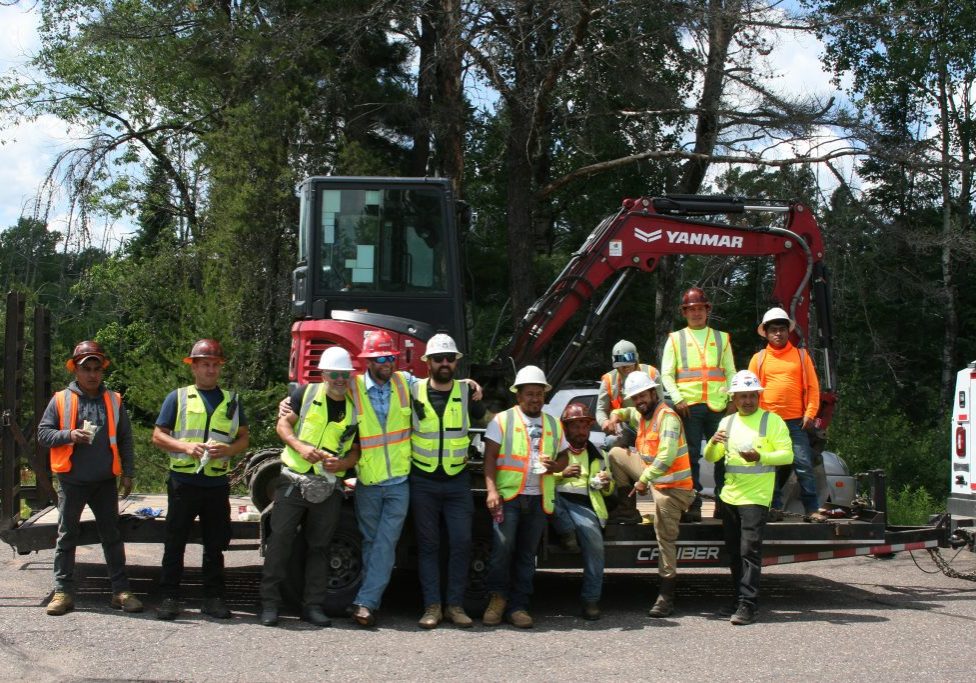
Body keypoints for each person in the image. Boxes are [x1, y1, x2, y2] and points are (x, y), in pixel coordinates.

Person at [37, 341, 142, 616]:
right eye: (87, 369)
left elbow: (125, 439)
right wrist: (69, 435)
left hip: (105, 482)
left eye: (97, 368)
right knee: (67, 536)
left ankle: (120, 592)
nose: (93, 374)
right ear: (75, 370)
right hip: (72, 481)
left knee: (112, 536)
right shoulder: (61, 399)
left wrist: (128, 473)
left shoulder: (114, 400)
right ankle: (63, 592)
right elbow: (43, 434)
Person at [259, 346, 360, 627]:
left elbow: (356, 450)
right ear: (324, 374)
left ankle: (312, 606)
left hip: (327, 485)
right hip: (293, 478)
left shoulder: (355, 407)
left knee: (320, 547)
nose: (340, 379)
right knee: (279, 541)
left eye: (345, 374)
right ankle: (269, 604)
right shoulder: (305, 394)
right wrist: (300, 447)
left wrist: (342, 465)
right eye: (335, 374)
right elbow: (283, 426)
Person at [152, 339, 249, 620]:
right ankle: (169, 597)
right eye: (204, 364)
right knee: (175, 541)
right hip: (183, 481)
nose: (210, 370)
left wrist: (230, 449)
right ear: (193, 366)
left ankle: (213, 598)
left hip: (216, 483)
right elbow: (158, 435)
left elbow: (244, 437)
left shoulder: (232, 400)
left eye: (215, 364)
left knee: (215, 544)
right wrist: (185, 447)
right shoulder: (178, 397)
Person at [704, 370, 792, 625]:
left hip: (756, 496)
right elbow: (711, 458)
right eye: (742, 396)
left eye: (752, 396)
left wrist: (761, 457)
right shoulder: (727, 423)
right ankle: (738, 598)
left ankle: (748, 604)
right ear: (733, 398)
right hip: (730, 495)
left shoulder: (772, 421)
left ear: (758, 396)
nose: (747, 401)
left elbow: (787, 456)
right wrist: (712, 442)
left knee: (749, 551)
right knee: (733, 552)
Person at [482, 365, 568, 629]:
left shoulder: (553, 423)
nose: (534, 398)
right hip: (510, 497)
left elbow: (564, 456)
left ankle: (519, 606)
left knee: (527, 555)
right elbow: (490, 458)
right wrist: (492, 490)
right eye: (529, 393)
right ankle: (497, 600)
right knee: (501, 551)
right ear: (518, 396)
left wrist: (557, 466)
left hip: (538, 498)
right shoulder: (503, 420)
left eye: (539, 393)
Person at [410, 333, 485, 629]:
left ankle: (455, 605)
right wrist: (295, 397)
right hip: (423, 480)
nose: (444, 363)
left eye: (449, 359)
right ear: (427, 362)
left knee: (462, 543)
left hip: (456, 482)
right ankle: (432, 607)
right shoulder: (411, 390)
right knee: (428, 546)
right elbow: (373, 379)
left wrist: (475, 386)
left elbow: (488, 419)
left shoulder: (467, 393)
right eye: (438, 359)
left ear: (456, 363)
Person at [607, 372, 695, 617]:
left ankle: (666, 595)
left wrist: (644, 480)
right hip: (654, 480)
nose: (638, 401)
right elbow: (626, 413)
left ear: (653, 393)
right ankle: (627, 510)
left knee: (664, 536)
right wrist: (615, 415)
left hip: (672, 488)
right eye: (635, 397)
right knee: (615, 454)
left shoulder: (667, 417)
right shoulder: (641, 413)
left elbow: (666, 458)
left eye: (642, 395)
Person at [348, 330, 414, 628]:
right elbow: (321, 392)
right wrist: (290, 403)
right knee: (371, 542)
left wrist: (469, 385)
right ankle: (367, 596)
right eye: (381, 358)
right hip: (369, 483)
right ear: (367, 362)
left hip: (399, 482)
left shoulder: (405, 383)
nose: (388, 363)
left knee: (385, 544)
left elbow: (439, 384)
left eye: (391, 357)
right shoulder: (353, 387)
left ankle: (365, 603)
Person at [660, 286, 736, 522]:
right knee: (690, 456)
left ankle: (724, 504)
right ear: (685, 312)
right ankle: (693, 503)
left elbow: (731, 371)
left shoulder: (721, 338)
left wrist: (732, 399)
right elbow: (666, 375)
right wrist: (678, 398)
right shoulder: (675, 338)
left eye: (700, 308)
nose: (696, 313)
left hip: (718, 405)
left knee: (723, 454)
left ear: (707, 310)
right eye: (691, 309)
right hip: (689, 406)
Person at [748, 307, 825, 523]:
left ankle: (812, 509)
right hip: (767, 423)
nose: (778, 334)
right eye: (774, 330)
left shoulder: (801, 356)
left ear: (787, 331)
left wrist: (810, 413)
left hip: (795, 422)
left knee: (803, 464)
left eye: (782, 329)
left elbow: (813, 387)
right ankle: (774, 508)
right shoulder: (759, 358)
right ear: (767, 332)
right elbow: (750, 392)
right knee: (769, 466)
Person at [553, 402, 614, 620]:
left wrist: (606, 484)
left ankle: (590, 600)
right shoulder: (555, 450)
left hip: (584, 504)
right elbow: (540, 476)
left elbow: (608, 491)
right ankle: (567, 530)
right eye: (575, 426)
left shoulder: (598, 454)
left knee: (595, 546)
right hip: (556, 499)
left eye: (585, 426)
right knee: (547, 500)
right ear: (566, 428)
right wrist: (562, 474)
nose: (581, 431)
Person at [595, 339, 665, 434]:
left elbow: (660, 403)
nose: (626, 368)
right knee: (611, 441)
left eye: (629, 364)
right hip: (623, 428)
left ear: (636, 360)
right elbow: (601, 410)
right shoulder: (608, 380)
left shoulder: (652, 373)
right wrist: (605, 421)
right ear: (615, 365)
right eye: (622, 365)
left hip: (651, 424)